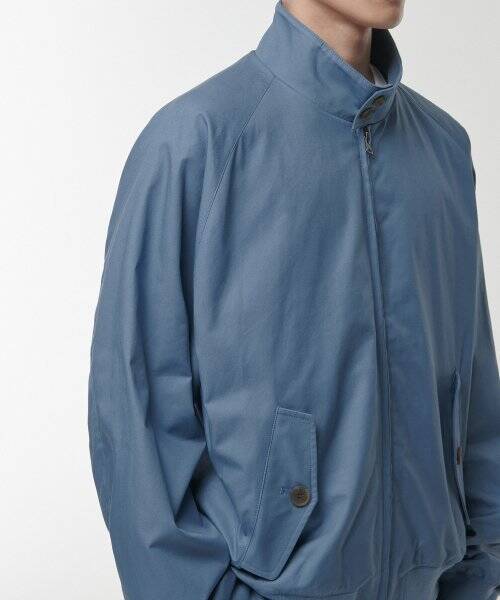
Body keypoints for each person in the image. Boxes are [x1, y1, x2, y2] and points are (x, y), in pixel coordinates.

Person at [88, 1, 500, 598]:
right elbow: (137, 427)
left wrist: (477, 574)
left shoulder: (443, 150)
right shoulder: (197, 144)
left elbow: (473, 396)